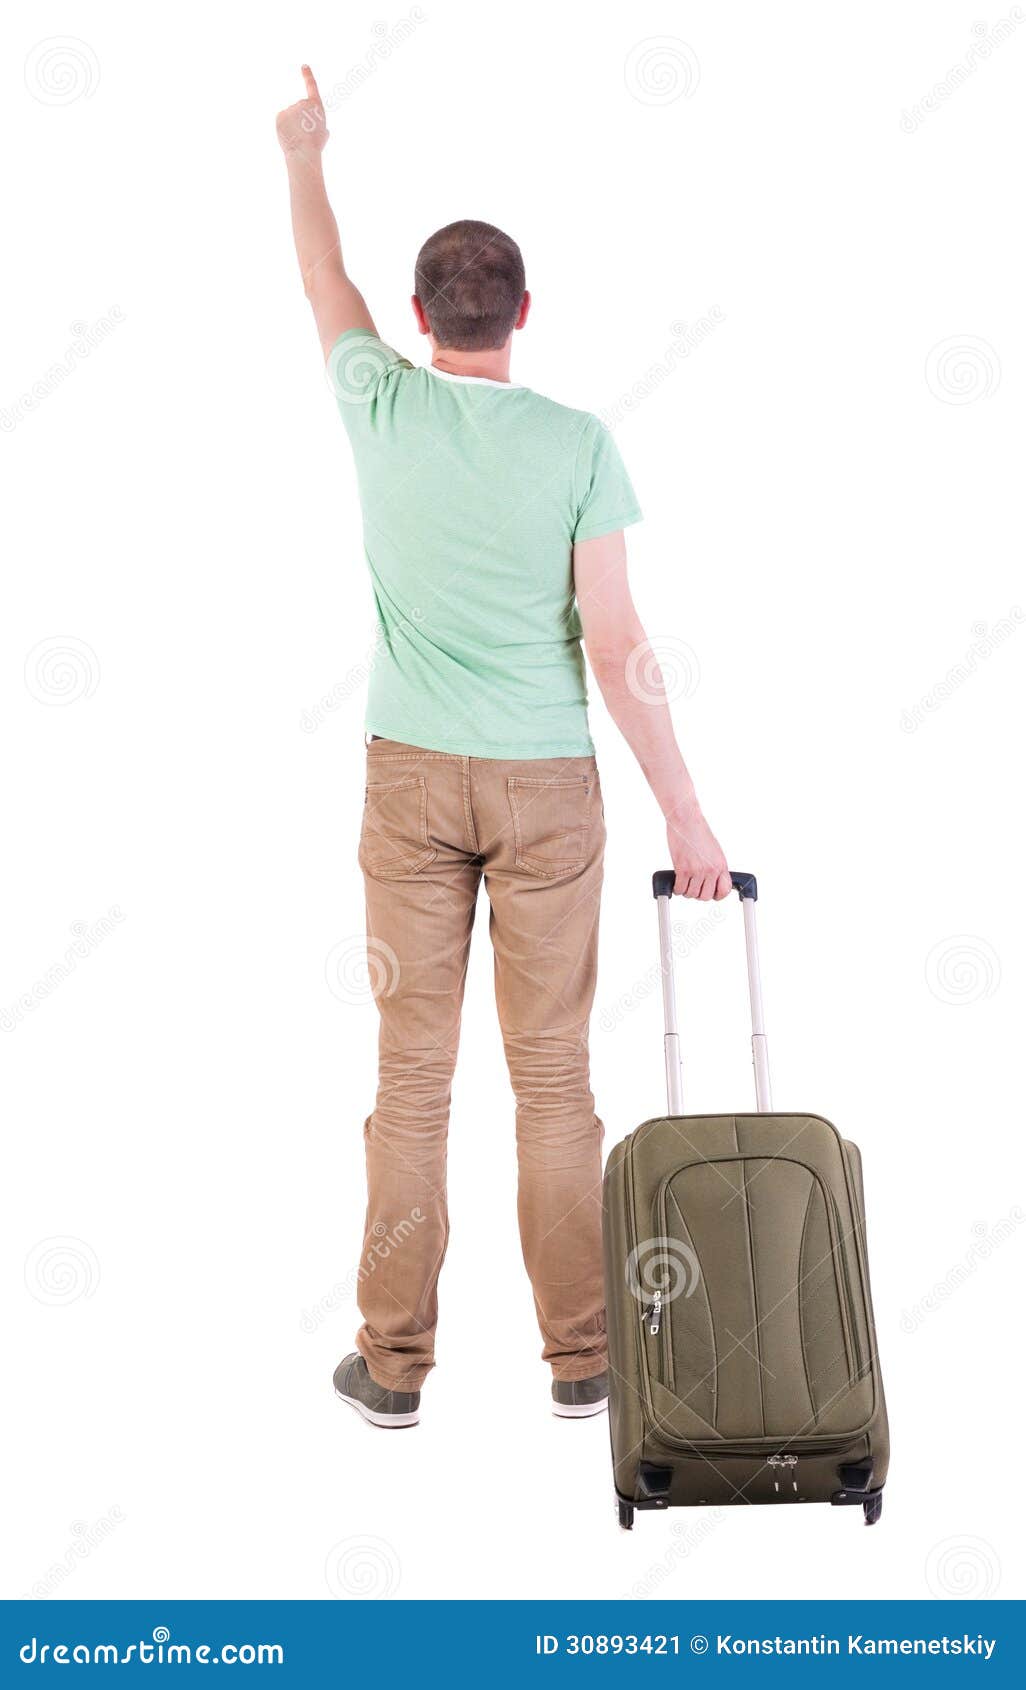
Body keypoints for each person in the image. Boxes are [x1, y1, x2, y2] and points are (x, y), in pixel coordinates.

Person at [277, 67, 731, 1428]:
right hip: (550, 789)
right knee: (554, 1080)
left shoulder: (378, 398)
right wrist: (687, 817)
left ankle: (393, 1366)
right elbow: (614, 640)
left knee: (410, 1082)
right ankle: (583, 1359)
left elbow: (319, 278)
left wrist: (303, 150)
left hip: (407, 775)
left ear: (418, 321)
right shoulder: (579, 442)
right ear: (522, 314)